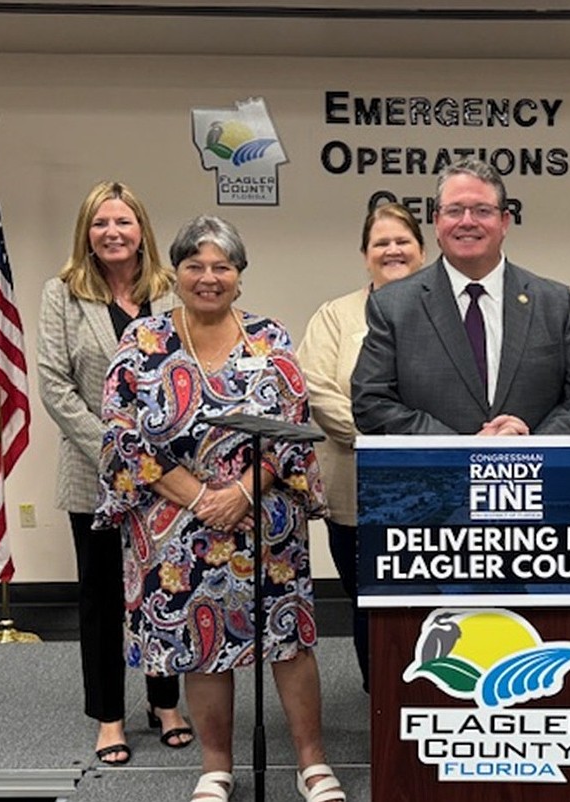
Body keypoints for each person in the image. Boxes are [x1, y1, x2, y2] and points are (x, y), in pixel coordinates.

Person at [95, 216, 345, 802]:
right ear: (175, 273)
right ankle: (216, 766)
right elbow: (122, 436)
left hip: (263, 521)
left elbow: (291, 429)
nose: (209, 278)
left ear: (239, 275)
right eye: (195, 266)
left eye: (222, 267)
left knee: (288, 640)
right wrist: (201, 497)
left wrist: (241, 494)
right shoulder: (143, 342)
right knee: (199, 643)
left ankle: (312, 762)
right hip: (174, 526)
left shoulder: (270, 338)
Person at [37, 180, 192, 765]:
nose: (112, 233)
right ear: (87, 233)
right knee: (102, 596)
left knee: (164, 589)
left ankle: (165, 702)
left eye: (123, 222)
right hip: (93, 471)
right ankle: (109, 715)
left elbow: (189, 371)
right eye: (101, 223)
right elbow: (54, 383)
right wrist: (117, 449)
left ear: (141, 231)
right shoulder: (63, 294)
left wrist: (158, 458)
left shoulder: (171, 290)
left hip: (169, 478)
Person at [351, 157, 570, 436]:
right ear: (436, 222)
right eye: (454, 211)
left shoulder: (554, 303)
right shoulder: (393, 306)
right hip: (434, 476)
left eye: (482, 210)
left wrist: (531, 446)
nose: (467, 222)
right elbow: (370, 402)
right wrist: (461, 448)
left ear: (504, 221)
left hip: (534, 475)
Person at [296, 202, 426, 692]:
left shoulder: (449, 309)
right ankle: (381, 700)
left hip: (435, 488)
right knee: (367, 599)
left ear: (422, 249)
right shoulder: (336, 315)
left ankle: (429, 696)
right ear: (365, 254)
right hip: (357, 488)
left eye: (402, 241)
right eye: (381, 243)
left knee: (431, 597)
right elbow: (317, 390)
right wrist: (398, 441)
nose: (392, 250)